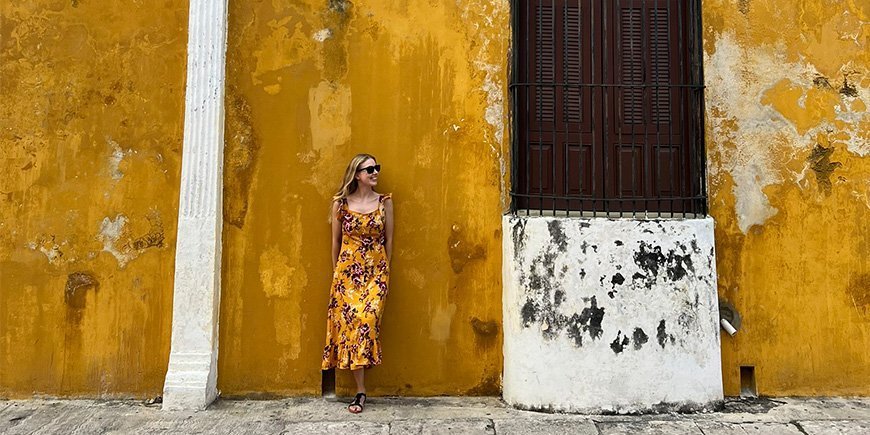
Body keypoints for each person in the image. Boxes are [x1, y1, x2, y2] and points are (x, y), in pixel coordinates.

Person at [321, 153, 393, 414]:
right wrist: (337, 277)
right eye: (370, 169)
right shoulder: (340, 204)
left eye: (377, 167)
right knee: (353, 326)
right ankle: (360, 391)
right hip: (346, 277)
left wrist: (385, 273)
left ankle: (361, 387)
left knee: (367, 321)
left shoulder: (384, 203)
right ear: (357, 174)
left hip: (376, 273)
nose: (375, 172)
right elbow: (335, 243)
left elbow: (389, 241)